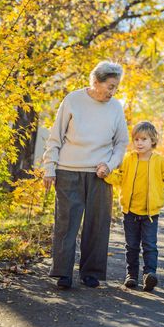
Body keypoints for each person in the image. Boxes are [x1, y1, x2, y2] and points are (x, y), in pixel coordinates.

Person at [42, 61, 129, 290]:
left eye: (116, 87)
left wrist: (110, 165)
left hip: (100, 175)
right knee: (66, 223)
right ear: (96, 82)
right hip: (69, 170)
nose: (113, 92)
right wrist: (49, 167)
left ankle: (91, 273)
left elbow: (121, 143)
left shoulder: (116, 108)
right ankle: (63, 272)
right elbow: (56, 136)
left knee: (97, 223)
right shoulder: (73, 100)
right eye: (110, 86)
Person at [105, 121, 164, 292]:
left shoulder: (159, 161)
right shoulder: (128, 159)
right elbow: (119, 179)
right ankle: (131, 275)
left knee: (149, 245)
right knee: (131, 246)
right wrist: (106, 176)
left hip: (150, 213)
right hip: (130, 212)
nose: (139, 143)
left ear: (153, 141)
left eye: (144, 139)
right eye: (137, 139)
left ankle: (149, 274)